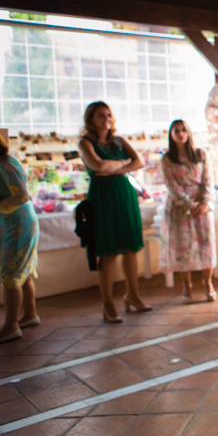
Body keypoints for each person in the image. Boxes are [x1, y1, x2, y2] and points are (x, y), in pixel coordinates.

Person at [78, 102, 151, 322]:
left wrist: (117, 167)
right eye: (101, 115)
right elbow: (97, 166)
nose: (106, 119)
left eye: (108, 115)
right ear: (91, 119)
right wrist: (122, 163)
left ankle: (133, 295)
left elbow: (139, 161)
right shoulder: (85, 143)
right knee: (108, 250)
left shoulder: (119, 141)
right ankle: (108, 303)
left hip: (124, 192)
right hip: (102, 196)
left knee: (131, 248)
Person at [160, 120, 217, 304]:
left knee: (206, 244)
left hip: (202, 205)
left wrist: (205, 203)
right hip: (180, 207)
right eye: (176, 131)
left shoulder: (200, 154)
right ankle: (186, 285)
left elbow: (208, 180)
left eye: (183, 130)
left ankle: (208, 283)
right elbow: (171, 184)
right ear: (171, 135)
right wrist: (188, 204)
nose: (181, 134)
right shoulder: (168, 159)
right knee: (182, 247)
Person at [0, 133, 40, 343]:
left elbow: (22, 194)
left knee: (11, 274)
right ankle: (30, 314)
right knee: (21, 271)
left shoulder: (6, 163)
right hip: (11, 222)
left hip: (18, 223)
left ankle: (11, 325)